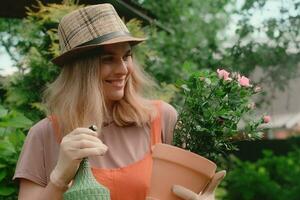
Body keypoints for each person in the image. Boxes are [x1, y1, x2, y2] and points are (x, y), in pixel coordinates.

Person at [14, 3, 225, 200]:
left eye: (126, 56)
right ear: (81, 70)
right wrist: (58, 178)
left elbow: (186, 190)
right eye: (108, 59)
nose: (123, 70)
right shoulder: (45, 135)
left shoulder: (161, 119)